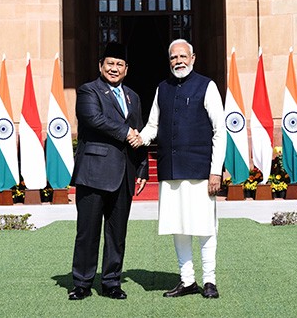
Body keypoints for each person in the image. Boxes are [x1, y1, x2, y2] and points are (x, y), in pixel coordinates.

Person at [129, 39, 225, 299]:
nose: (178, 61)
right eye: (173, 57)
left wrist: (215, 171)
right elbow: (153, 125)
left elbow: (220, 132)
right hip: (170, 170)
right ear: (169, 60)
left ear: (193, 58)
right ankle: (187, 280)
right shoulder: (162, 88)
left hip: (200, 171)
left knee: (205, 226)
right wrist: (141, 138)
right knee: (178, 226)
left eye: (183, 56)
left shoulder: (208, 86)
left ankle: (209, 281)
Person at [69, 42, 148, 301]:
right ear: (100, 66)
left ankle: (112, 281)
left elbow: (139, 130)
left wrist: (142, 168)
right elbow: (94, 118)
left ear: (127, 69)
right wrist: (126, 133)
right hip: (93, 172)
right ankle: (82, 282)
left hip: (124, 173)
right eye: (110, 64)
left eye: (119, 65)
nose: (114, 69)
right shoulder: (87, 91)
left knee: (117, 233)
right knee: (88, 232)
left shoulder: (133, 97)